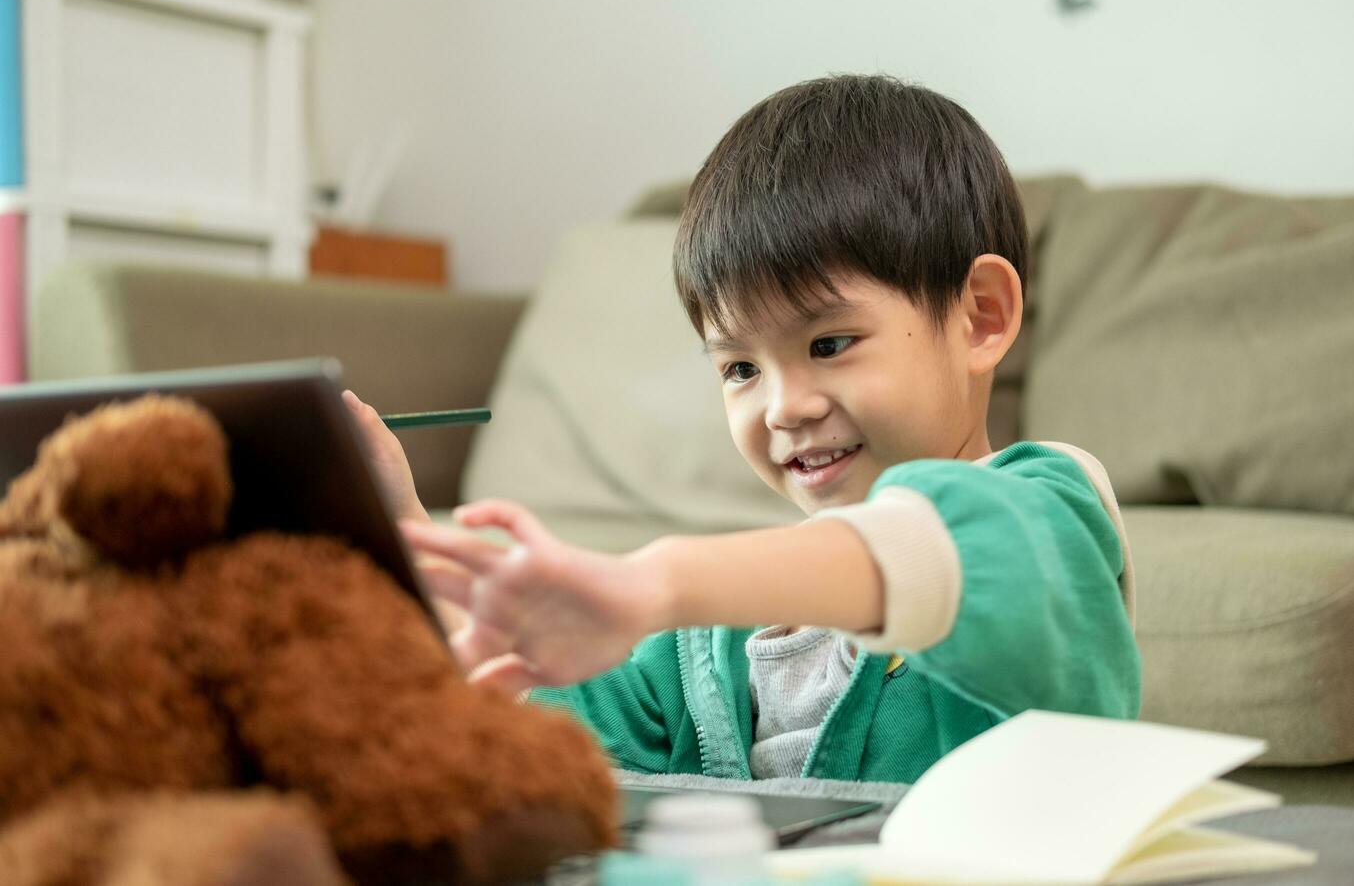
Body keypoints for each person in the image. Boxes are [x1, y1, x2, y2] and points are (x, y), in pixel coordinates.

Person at [345, 74, 1140, 783]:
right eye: (740, 369)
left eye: (829, 344)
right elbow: (540, 717)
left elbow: (933, 548)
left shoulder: (1046, 515)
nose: (782, 407)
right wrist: (404, 534)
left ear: (980, 317)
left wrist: (651, 582)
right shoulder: (707, 643)